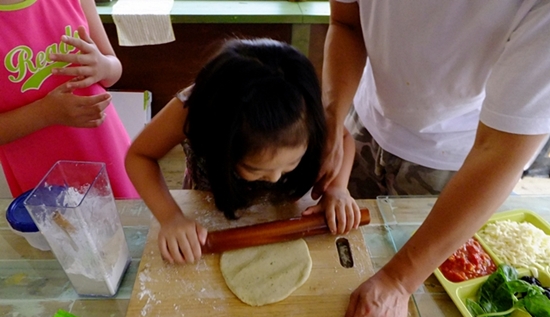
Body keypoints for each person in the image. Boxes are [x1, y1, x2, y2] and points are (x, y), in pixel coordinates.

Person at [316, 1, 550, 317]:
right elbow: (347, 23)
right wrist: (333, 118)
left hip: (460, 162)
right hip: (362, 121)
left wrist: (398, 281)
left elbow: (501, 150)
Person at [125, 38, 361, 265]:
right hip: (211, 199)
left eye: (292, 162)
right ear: (220, 145)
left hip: (286, 208)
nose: (275, 177)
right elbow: (139, 157)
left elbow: (343, 138)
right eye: (255, 168)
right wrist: (171, 218)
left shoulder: (305, 109)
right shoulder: (195, 110)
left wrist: (337, 189)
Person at [0, 0, 138, 199]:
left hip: (108, 154)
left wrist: (103, 66)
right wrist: (45, 113)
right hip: (43, 179)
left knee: (132, 224)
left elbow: (113, 68)